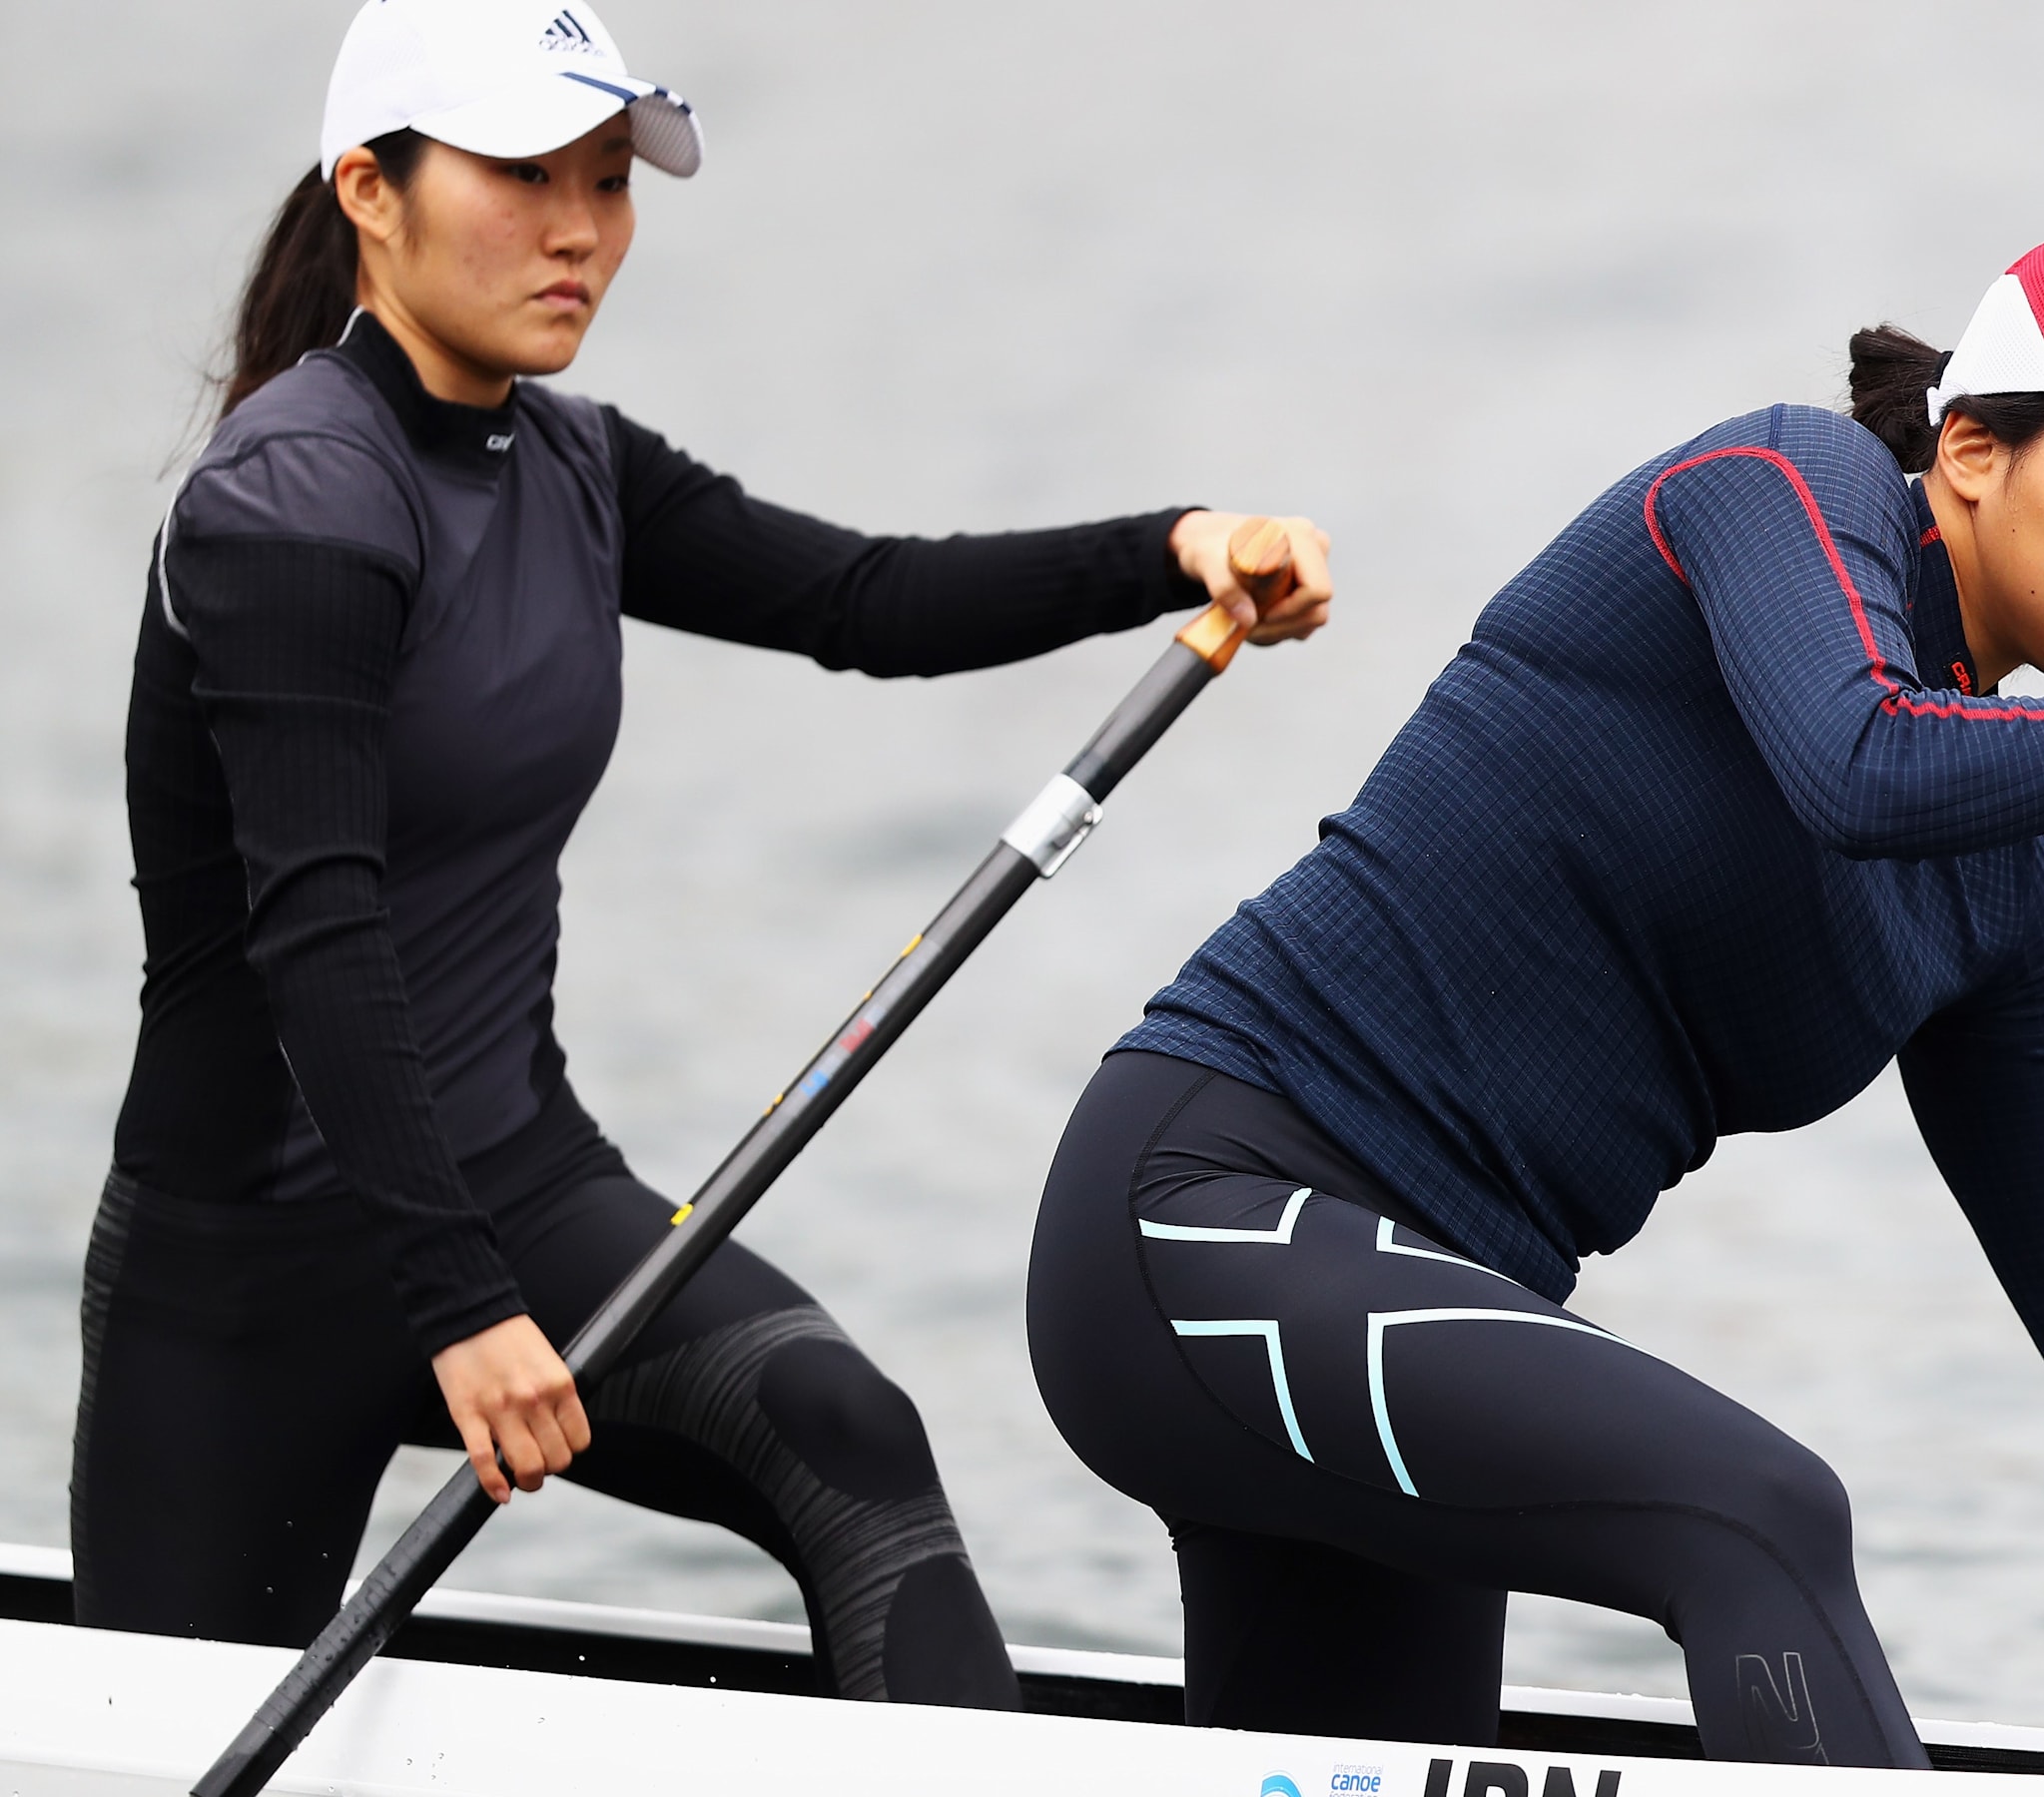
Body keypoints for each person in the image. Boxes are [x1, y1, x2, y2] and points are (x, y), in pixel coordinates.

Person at [1027, 223, 2044, 1764]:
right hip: (1201, 1214)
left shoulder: (1998, 902)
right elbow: (1859, 763)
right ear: (1970, 452)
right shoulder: (1780, 486)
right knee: (1760, 1512)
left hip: (1422, 1330)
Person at [71, 0, 1330, 1709]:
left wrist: (1175, 544)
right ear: (370, 189)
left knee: (849, 1436)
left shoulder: (575, 465)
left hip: (521, 1193)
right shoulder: (293, 504)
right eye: (526, 177)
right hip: (251, 1271)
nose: (583, 229)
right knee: (164, 1718)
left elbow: (865, 602)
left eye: (608, 180)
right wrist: (455, 1307)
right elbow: (321, 929)